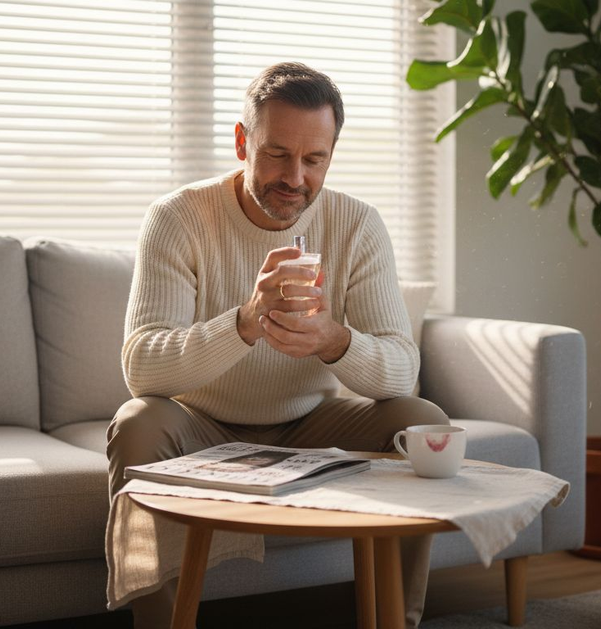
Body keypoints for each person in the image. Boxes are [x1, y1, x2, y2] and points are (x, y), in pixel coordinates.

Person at [107, 61, 449, 629]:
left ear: (332, 154)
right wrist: (243, 323)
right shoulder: (178, 218)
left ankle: (396, 620)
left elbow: (400, 368)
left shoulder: (356, 224)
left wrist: (336, 341)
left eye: (314, 159)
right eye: (276, 154)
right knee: (138, 422)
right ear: (242, 142)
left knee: (422, 420)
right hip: (201, 422)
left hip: (308, 419)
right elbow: (142, 367)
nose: (295, 177)